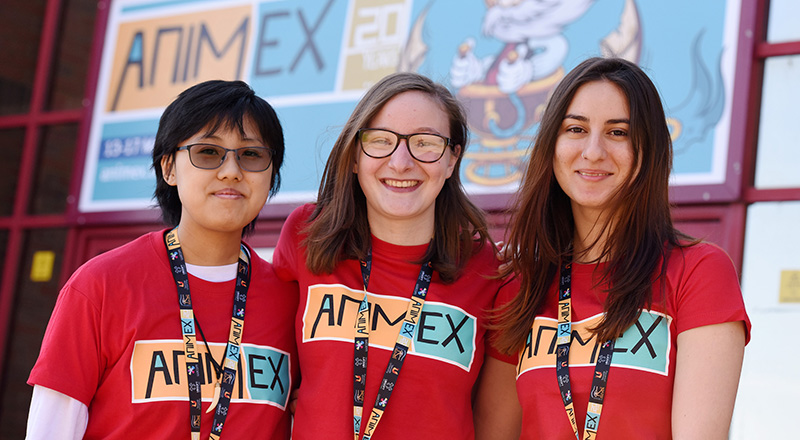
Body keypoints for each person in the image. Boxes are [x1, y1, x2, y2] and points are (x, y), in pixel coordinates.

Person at [474, 57, 751, 439]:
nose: (592, 151)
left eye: (618, 133)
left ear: (648, 149)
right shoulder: (521, 286)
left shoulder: (697, 272)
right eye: (576, 129)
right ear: (552, 145)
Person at [27, 80, 298, 439]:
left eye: (251, 155)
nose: (231, 170)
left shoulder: (292, 300)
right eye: (208, 152)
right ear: (169, 168)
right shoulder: (101, 285)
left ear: (271, 174)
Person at [272, 72, 511, 439]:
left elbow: (494, 422)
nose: (401, 162)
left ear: (451, 160)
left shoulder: (486, 269)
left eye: (426, 143)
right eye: (381, 141)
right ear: (354, 155)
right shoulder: (307, 235)